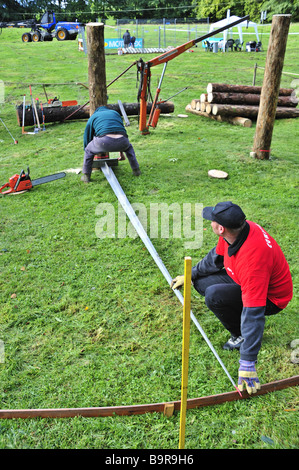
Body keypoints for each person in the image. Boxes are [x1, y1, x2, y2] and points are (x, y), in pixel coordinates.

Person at [171, 201, 293, 395]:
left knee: (214, 295)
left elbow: (254, 313)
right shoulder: (237, 231)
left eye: (212, 220)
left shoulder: (253, 262)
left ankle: (239, 336)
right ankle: (232, 309)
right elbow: (216, 257)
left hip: (271, 298)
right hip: (242, 277)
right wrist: (190, 274)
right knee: (201, 282)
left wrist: (247, 362)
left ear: (220, 228)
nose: (209, 221)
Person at [81, 106, 141, 182]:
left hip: (104, 142)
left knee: (88, 150)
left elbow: (87, 135)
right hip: (123, 141)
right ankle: (136, 170)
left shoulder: (94, 116)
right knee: (129, 147)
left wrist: (87, 148)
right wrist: (121, 152)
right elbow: (121, 131)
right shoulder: (115, 113)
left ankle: (86, 176)